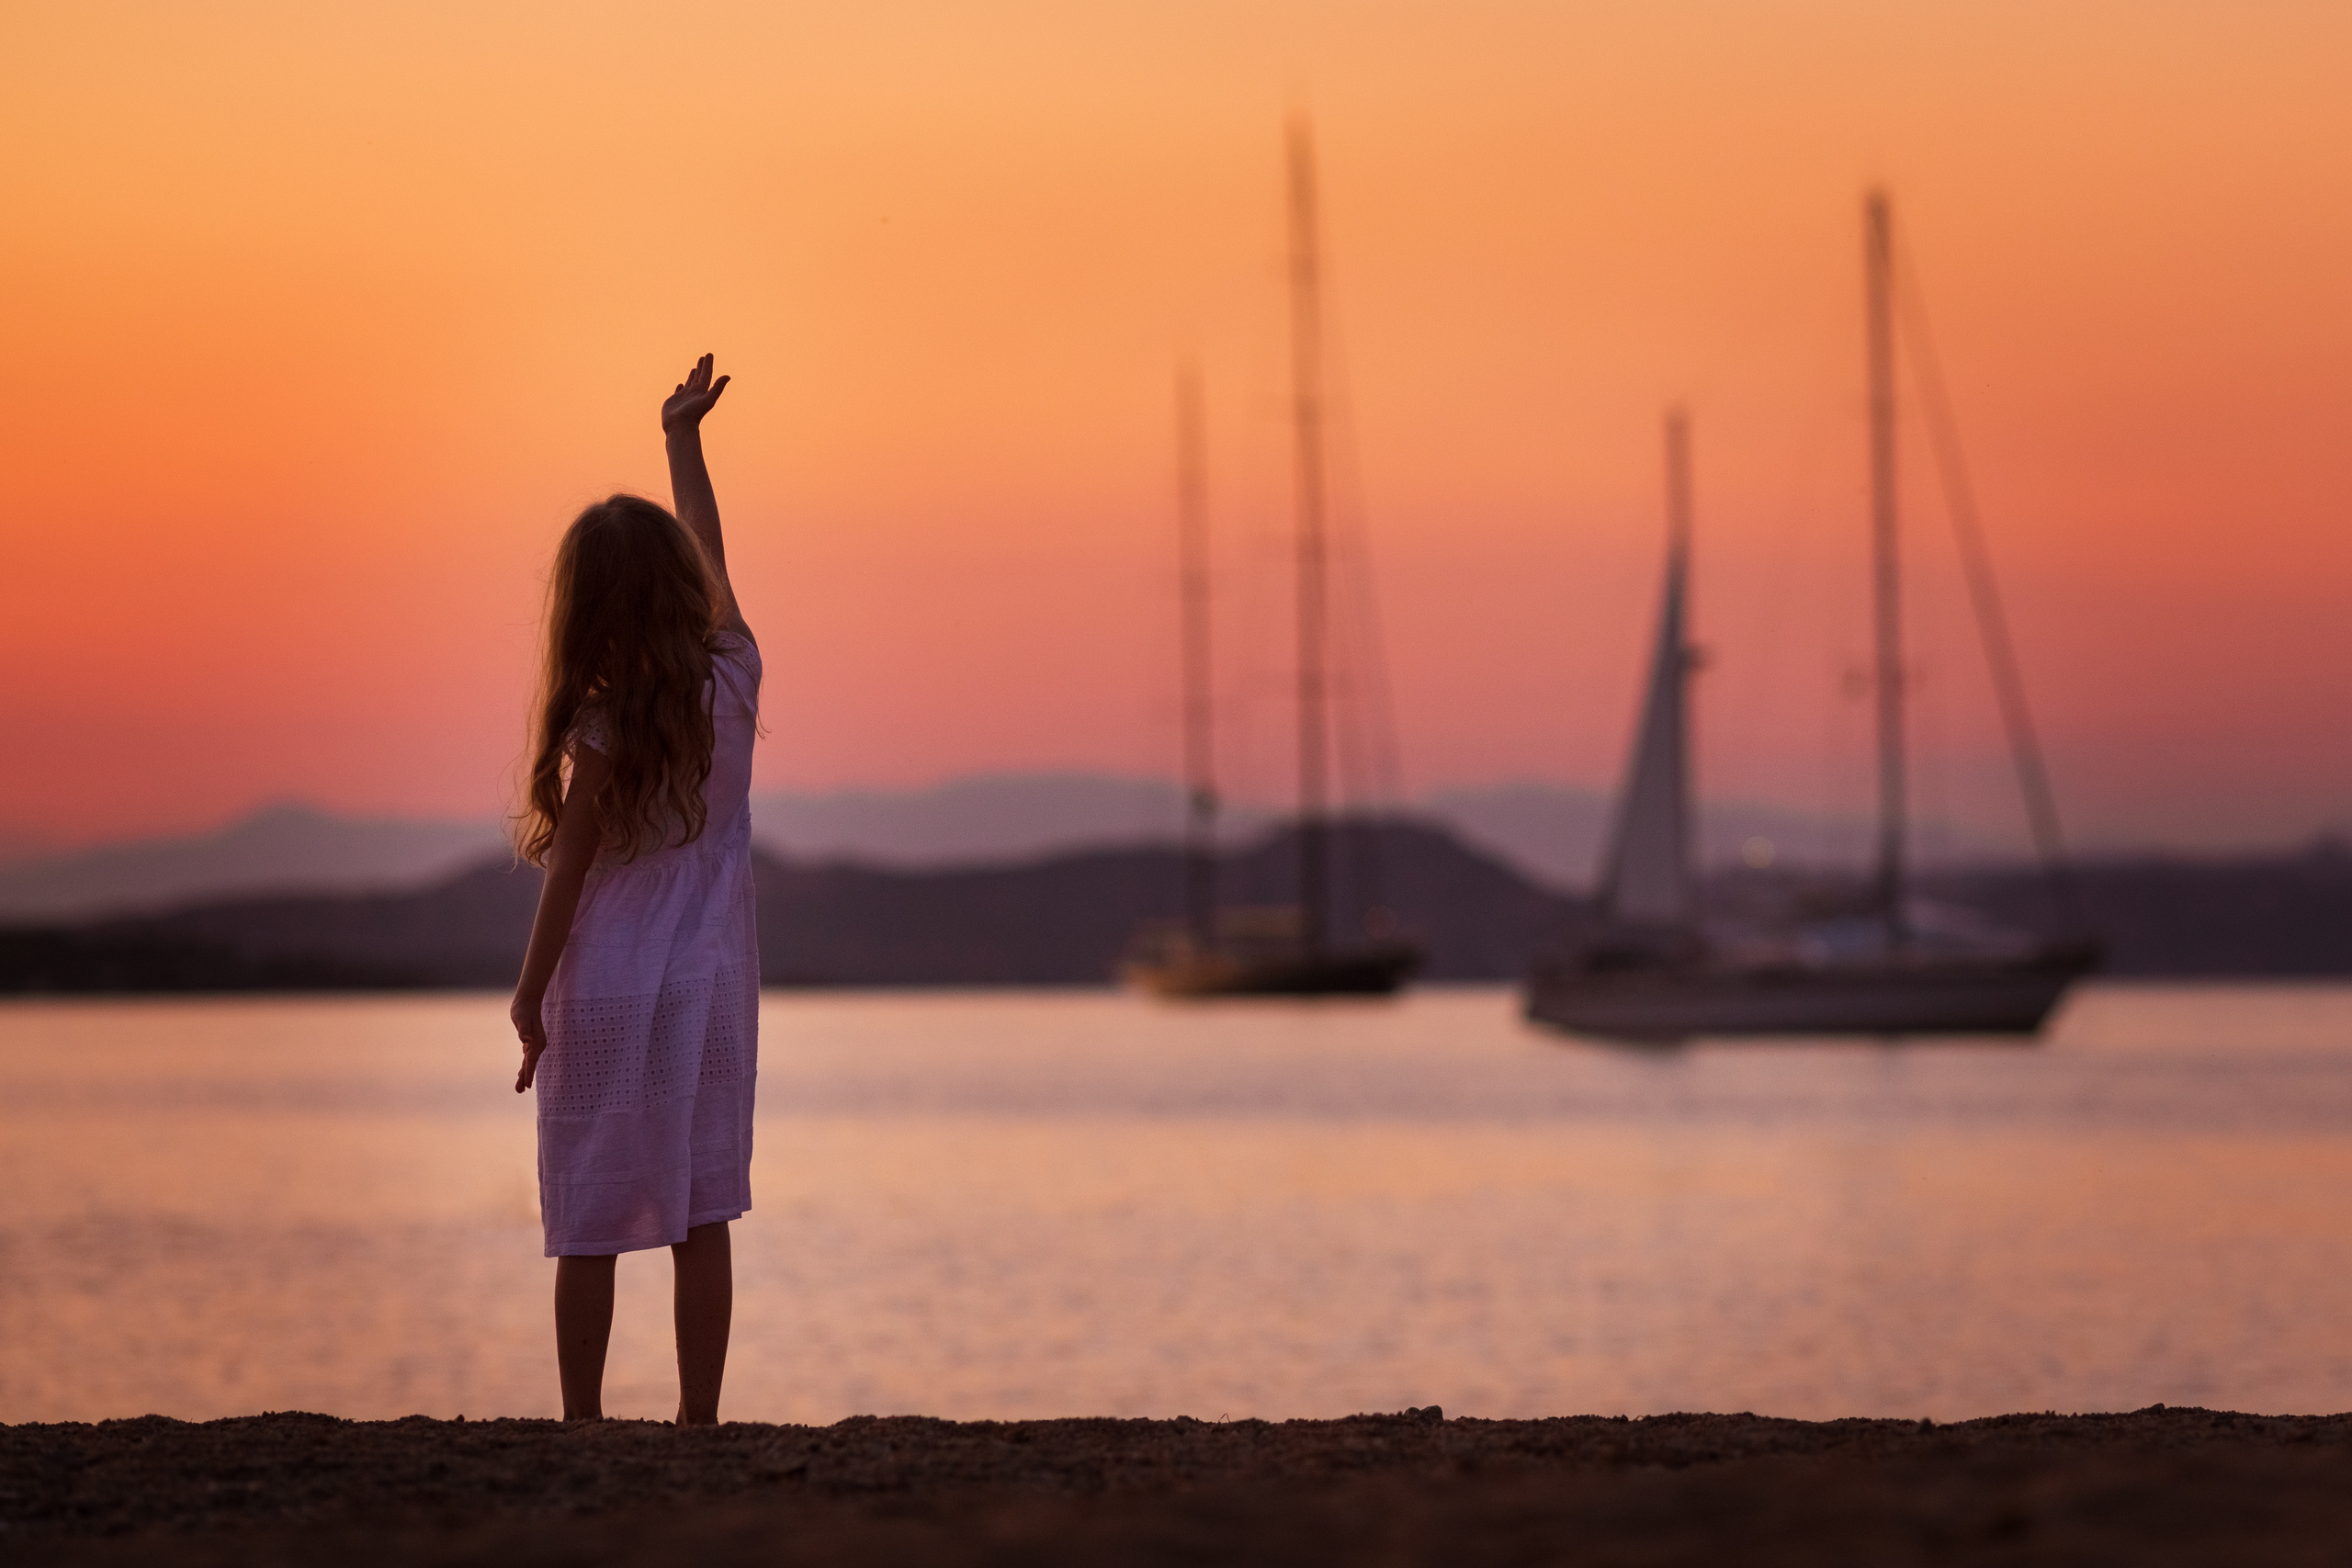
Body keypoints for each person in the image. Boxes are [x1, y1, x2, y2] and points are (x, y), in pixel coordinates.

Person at [508, 355, 759, 1425]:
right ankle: (699, 1424)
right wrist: (682, 443)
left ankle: (583, 1423)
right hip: (709, 990)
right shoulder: (734, 679)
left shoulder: (602, 728)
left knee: (590, 1214)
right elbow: (714, 554)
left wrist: (528, 997)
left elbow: (567, 873)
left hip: (606, 989)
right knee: (702, 1212)